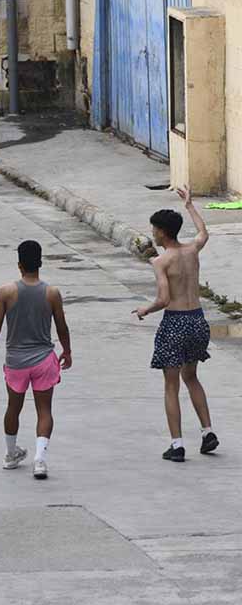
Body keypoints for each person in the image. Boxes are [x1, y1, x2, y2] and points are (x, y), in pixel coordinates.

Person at [133, 189, 218, 462]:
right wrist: (190, 205)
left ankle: (177, 444)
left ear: (163, 232)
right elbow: (204, 232)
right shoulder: (192, 250)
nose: (154, 234)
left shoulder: (161, 261)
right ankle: (207, 432)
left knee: (171, 385)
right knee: (191, 376)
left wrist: (146, 308)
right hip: (197, 321)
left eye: (155, 230)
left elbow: (164, 299)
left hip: (175, 323)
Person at [0, 241, 73, 480]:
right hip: (44, 359)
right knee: (44, 410)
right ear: (40, 263)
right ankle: (40, 460)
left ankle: (11, 454)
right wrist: (67, 351)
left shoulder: (6, 292)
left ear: (19, 265)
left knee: (13, 407)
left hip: (16, 362)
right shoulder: (51, 293)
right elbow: (62, 326)